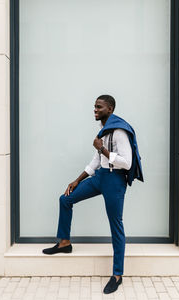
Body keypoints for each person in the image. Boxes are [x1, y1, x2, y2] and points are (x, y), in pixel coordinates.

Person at [43, 95, 135, 294]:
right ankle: (65, 243)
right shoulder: (102, 131)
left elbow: (127, 162)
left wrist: (102, 148)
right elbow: (96, 160)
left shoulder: (119, 131)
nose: (95, 109)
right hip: (101, 176)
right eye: (94, 106)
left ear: (109, 109)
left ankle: (117, 275)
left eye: (99, 107)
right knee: (65, 199)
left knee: (116, 225)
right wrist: (77, 180)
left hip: (115, 181)